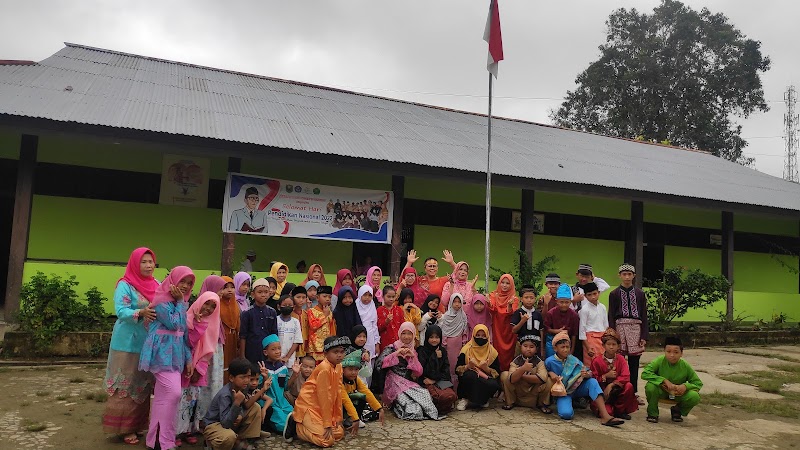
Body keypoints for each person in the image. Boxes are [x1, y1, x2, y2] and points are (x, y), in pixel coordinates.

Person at [103, 248, 159, 445]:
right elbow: (121, 310)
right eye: (143, 262)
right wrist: (141, 312)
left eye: (151, 261)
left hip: (148, 343)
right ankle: (124, 428)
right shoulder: (125, 285)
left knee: (142, 384)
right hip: (126, 343)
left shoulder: (157, 285)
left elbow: (165, 304)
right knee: (125, 384)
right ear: (135, 263)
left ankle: (138, 425)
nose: (148, 265)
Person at [138, 266, 195, 450]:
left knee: (163, 398)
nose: (185, 286)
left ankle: (155, 440)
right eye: (182, 282)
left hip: (175, 357)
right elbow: (174, 323)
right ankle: (166, 441)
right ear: (172, 281)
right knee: (174, 393)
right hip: (160, 354)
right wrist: (180, 302)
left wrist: (188, 359)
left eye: (189, 283)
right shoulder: (162, 301)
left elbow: (184, 335)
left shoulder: (180, 303)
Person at [545, 331, 624, 426]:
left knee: (592, 382)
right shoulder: (549, 361)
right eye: (562, 347)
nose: (566, 350)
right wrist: (550, 373)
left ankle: (605, 416)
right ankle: (571, 403)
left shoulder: (573, 359)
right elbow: (543, 373)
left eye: (568, 347)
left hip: (577, 388)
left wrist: (586, 374)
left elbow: (589, 372)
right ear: (555, 348)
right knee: (566, 414)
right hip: (563, 393)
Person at [284, 336, 350, 447]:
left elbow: (338, 394)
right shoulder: (324, 368)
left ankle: (309, 425)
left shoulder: (338, 367)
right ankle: (296, 425)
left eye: (342, 352)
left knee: (339, 433)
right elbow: (323, 397)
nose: (339, 355)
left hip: (321, 409)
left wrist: (338, 418)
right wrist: (327, 423)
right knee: (326, 441)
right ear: (325, 353)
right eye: (335, 352)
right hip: (309, 406)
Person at [176, 291, 220, 446]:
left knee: (194, 400)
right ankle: (176, 432)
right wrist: (197, 324)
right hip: (183, 365)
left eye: (213, 306)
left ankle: (189, 429)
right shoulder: (187, 318)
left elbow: (208, 351)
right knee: (180, 399)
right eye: (206, 303)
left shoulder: (213, 324)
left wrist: (199, 369)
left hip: (199, 369)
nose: (208, 309)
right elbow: (187, 342)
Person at [377, 322, 441, 420]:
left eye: (409, 333)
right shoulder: (392, 348)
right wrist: (395, 354)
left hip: (409, 383)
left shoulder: (413, 350)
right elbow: (379, 365)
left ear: (413, 335)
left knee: (425, 396)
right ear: (399, 334)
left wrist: (413, 357)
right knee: (413, 409)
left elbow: (419, 372)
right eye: (403, 333)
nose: (406, 337)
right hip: (393, 383)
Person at [608, 263, 649, 405]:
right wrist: (612, 334)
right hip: (619, 328)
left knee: (634, 362)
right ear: (619, 275)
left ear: (634, 276)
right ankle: (617, 390)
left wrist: (644, 335)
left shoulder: (640, 294)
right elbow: (611, 314)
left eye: (629, 274)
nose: (626, 277)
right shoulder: (614, 294)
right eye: (624, 274)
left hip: (636, 329)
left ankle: (634, 392)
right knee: (618, 361)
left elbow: (644, 315)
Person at [203, 358, 263, 450]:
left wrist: (240, 414)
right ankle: (212, 443)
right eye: (243, 377)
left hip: (231, 420)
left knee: (256, 407)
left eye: (248, 376)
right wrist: (237, 402)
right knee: (229, 437)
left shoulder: (244, 387)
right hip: (215, 424)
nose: (247, 380)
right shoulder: (225, 395)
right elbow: (225, 423)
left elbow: (245, 406)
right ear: (231, 378)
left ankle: (243, 439)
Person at [641, 336, 703, 423]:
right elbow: (645, 373)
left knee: (694, 396)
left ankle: (677, 411)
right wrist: (663, 380)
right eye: (668, 351)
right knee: (650, 387)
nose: (672, 355)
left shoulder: (685, 365)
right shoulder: (659, 361)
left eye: (676, 352)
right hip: (662, 391)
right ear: (664, 351)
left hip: (678, 394)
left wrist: (685, 386)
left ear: (681, 353)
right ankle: (653, 413)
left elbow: (698, 383)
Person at [590, 328, 638, 420]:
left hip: (617, 390)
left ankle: (620, 411)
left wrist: (612, 384)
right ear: (603, 345)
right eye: (608, 344)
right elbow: (593, 379)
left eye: (614, 344)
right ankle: (609, 410)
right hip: (602, 393)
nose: (611, 347)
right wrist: (605, 376)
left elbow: (626, 376)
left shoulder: (621, 359)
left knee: (629, 386)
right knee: (608, 412)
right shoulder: (597, 361)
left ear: (618, 346)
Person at [500, 334, 553, 414]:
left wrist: (521, 375)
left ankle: (542, 404)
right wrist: (523, 369)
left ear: (536, 349)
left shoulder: (539, 362)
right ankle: (510, 402)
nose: (528, 349)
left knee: (549, 380)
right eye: (525, 346)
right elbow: (511, 379)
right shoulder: (516, 361)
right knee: (504, 375)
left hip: (533, 395)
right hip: (518, 393)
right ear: (520, 347)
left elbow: (542, 378)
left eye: (531, 347)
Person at [454, 324, 500, 411]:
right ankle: (465, 399)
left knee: (494, 384)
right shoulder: (466, 349)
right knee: (470, 376)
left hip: (484, 378)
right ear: (473, 335)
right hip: (470, 377)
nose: (480, 338)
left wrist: (486, 368)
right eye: (478, 335)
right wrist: (468, 366)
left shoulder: (492, 352)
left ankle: (483, 400)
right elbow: (457, 370)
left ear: (487, 336)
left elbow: (497, 373)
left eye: (483, 336)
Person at [415, 324, 458, 415]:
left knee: (450, 395)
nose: (434, 340)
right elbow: (423, 371)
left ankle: (442, 407)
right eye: (431, 337)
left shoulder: (442, 351)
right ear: (427, 338)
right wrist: (434, 357)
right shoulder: (422, 351)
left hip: (439, 381)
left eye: (437, 337)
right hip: (425, 381)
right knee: (437, 397)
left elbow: (446, 371)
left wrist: (434, 380)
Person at [258, 335, 296, 433]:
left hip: (282, 401)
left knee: (295, 415)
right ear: (266, 352)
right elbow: (260, 390)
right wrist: (265, 376)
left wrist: (295, 374)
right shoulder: (263, 368)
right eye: (273, 349)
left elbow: (285, 387)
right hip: (270, 402)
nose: (278, 351)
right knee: (281, 421)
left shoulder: (282, 368)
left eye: (279, 348)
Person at [341, 349, 384, 432]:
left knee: (361, 397)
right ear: (343, 370)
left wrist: (379, 408)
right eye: (350, 369)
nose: (353, 372)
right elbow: (345, 399)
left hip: (346, 403)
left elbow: (367, 392)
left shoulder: (356, 379)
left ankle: (350, 420)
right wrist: (355, 418)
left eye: (356, 370)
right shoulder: (339, 379)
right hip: (336, 404)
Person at [239, 278, 278, 365]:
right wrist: (242, 356)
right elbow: (243, 336)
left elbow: (274, 334)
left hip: (268, 353)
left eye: (266, 292)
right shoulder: (247, 313)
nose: (263, 295)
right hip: (251, 351)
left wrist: (275, 352)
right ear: (253, 294)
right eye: (260, 292)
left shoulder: (272, 312)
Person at [488, 274, 519, 371]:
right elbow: (491, 308)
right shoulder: (493, 295)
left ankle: (507, 376)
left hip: (509, 330)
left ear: (511, 285)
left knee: (509, 352)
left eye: (507, 283)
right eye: (502, 282)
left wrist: (508, 307)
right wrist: (489, 304)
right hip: (497, 327)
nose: (504, 285)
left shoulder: (514, 298)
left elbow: (511, 311)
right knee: (496, 351)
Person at [440, 293, 470, 388]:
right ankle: (448, 388)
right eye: (455, 302)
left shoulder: (463, 316)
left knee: (457, 365)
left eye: (459, 302)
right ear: (451, 303)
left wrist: (463, 343)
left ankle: (457, 389)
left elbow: (465, 331)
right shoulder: (446, 316)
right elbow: (444, 331)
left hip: (459, 344)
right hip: (448, 345)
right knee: (448, 365)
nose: (457, 304)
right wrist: (444, 344)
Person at [544, 284, 579, 359]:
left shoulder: (574, 315)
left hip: (567, 342)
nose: (564, 305)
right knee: (552, 361)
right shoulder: (551, 313)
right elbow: (547, 328)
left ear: (570, 302)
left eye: (567, 302)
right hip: (552, 340)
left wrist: (571, 350)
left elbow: (574, 334)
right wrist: (557, 331)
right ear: (557, 301)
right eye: (561, 302)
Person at [578, 282, 609, 366]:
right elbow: (582, 330)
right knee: (592, 363)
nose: (593, 297)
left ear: (598, 293)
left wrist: (608, 339)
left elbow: (606, 325)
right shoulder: (585, 309)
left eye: (595, 293)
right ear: (585, 296)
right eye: (589, 295)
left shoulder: (602, 307)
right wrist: (588, 347)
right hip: (590, 339)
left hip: (603, 338)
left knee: (604, 362)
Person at [355, 285, 380, 383]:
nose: (367, 298)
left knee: (369, 363)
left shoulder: (372, 305)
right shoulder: (355, 305)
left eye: (370, 295)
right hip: (358, 337)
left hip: (370, 339)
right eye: (365, 295)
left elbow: (375, 325)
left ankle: (367, 388)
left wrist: (376, 342)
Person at [511, 285, 544, 357]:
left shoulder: (538, 314)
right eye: (526, 297)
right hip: (521, 345)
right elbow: (513, 330)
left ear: (535, 299)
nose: (529, 300)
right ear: (521, 299)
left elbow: (541, 331)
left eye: (531, 298)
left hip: (535, 346)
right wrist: (522, 321)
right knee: (519, 363)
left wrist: (542, 349)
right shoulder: (518, 312)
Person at [308, 285, 337, 362]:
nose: (327, 299)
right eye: (324, 296)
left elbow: (332, 329)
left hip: (327, 347)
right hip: (315, 348)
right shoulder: (312, 311)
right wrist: (325, 315)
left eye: (329, 297)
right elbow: (313, 326)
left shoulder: (330, 312)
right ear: (317, 298)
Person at [277, 293, 305, 367]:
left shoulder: (295, 322)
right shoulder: (275, 320)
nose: (287, 307)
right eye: (284, 305)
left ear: (294, 307)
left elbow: (297, 341)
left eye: (289, 305)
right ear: (279, 307)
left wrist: (287, 357)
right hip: (275, 358)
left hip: (290, 360)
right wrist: (277, 356)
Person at [377, 285, 403, 351]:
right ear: (383, 297)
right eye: (388, 297)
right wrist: (386, 322)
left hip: (398, 341)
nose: (391, 299)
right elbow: (378, 328)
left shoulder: (399, 309)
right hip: (385, 342)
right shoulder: (379, 310)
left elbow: (402, 325)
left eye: (393, 297)